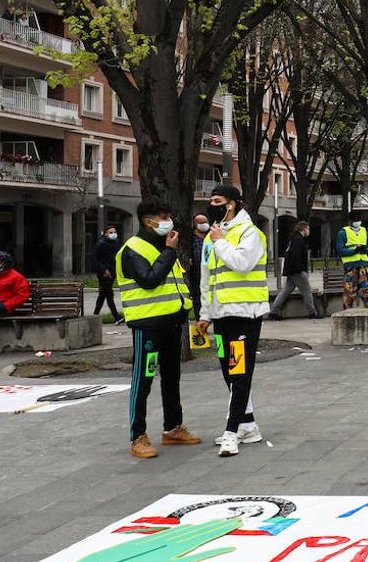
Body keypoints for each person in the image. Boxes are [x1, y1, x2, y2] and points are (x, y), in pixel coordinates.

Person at [117, 199, 200, 458]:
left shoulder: (162, 246)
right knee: (143, 380)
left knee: (172, 377)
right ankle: (137, 436)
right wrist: (169, 252)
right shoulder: (134, 248)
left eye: (168, 215)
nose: (167, 220)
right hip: (148, 325)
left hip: (172, 322)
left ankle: (173, 427)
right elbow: (150, 280)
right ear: (147, 220)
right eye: (162, 216)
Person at [198, 185, 270, 458]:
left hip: (244, 314)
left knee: (239, 373)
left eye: (217, 201)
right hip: (220, 316)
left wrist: (220, 242)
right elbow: (207, 279)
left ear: (232, 205)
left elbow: (242, 264)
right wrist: (205, 314)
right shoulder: (210, 239)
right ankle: (248, 425)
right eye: (210, 200)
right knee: (229, 373)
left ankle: (231, 433)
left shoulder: (250, 233)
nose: (211, 205)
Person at [0, 252, 29, 357]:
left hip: (1, 306)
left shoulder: (16, 277)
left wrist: (7, 306)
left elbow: (21, 296)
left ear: (4, 264)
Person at [270, 220, 319, 320]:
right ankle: (312, 312)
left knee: (285, 291)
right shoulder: (298, 239)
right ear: (303, 229)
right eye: (308, 229)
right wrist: (301, 270)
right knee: (307, 291)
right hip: (297, 271)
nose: (309, 231)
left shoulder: (293, 239)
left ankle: (274, 311)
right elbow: (296, 256)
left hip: (291, 271)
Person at [337, 213, 368, 310]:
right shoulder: (343, 232)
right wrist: (354, 251)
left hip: (365, 265)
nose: (358, 222)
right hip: (350, 266)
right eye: (355, 220)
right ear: (350, 221)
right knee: (349, 292)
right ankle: (347, 312)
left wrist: (365, 250)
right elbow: (340, 250)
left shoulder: (364, 231)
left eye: (359, 220)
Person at [92, 223, 123, 322]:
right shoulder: (101, 244)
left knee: (103, 294)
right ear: (105, 234)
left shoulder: (116, 242)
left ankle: (95, 315)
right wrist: (103, 269)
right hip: (104, 273)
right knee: (109, 294)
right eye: (110, 232)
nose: (113, 234)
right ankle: (116, 317)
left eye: (115, 232)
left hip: (112, 271)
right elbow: (94, 258)